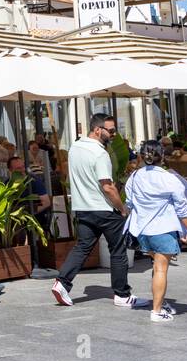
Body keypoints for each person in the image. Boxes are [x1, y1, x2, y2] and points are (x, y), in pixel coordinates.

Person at [51, 113, 134, 309]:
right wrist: (122, 209)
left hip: (82, 207)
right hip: (103, 208)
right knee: (118, 250)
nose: (114, 135)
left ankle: (62, 283)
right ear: (97, 130)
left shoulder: (74, 148)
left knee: (82, 247)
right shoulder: (100, 153)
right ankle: (122, 294)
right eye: (111, 131)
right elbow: (107, 186)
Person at [124, 140, 187, 323]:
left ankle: (160, 303)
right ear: (162, 157)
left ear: (141, 156)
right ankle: (156, 311)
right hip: (163, 229)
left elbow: (129, 203)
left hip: (142, 230)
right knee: (161, 269)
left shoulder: (134, 177)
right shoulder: (169, 178)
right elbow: (182, 207)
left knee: (157, 266)